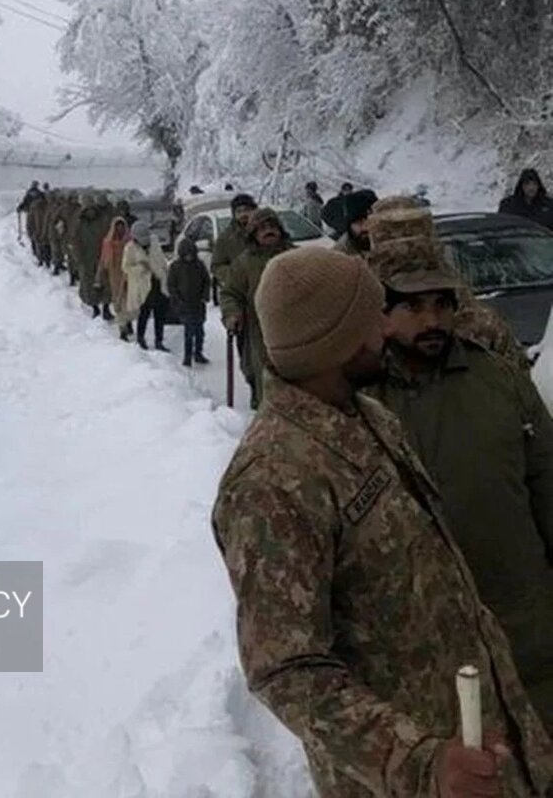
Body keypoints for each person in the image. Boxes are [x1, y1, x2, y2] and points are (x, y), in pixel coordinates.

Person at [212, 247, 553, 798]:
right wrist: (420, 762)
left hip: (482, 733)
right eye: (371, 315)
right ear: (336, 340)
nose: (383, 325)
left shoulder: (369, 419)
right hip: (413, 776)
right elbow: (286, 669)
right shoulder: (274, 480)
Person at [371, 235, 553, 735]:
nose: (432, 321)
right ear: (379, 310)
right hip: (414, 640)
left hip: (522, 619)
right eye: (411, 305)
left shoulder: (498, 378)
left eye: (441, 303)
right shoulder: (355, 398)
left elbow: (547, 480)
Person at [367, 196, 533, 378]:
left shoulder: (359, 337)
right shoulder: (483, 323)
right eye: (412, 306)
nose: (432, 321)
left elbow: (521, 392)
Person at [219, 208, 293, 408]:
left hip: (297, 328)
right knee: (265, 379)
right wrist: (232, 313)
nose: (268, 231)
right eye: (262, 228)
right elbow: (230, 293)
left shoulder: (296, 255)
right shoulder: (243, 263)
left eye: (272, 226)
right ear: (253, 233)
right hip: (260, 332)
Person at [122, 222, 170, 352]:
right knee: (144, 313)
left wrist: (165, 272)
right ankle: (141, 339)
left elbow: (161, 258)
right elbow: (126, 267)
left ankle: (159, 340)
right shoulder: (130, 248)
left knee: (160, 314)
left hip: (158, 282)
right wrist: (140, 268)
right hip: (142, 286)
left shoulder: (154, 242)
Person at [167, 237, 211, 368]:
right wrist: (177, 300)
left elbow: (206, 281)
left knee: (199, 331)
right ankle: (187, 356)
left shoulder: (199, 265)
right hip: (184, 304)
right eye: (186, 255)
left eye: (191, 254)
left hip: (198, 303)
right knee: (188, 332)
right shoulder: (175, 267)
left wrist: (205, 296)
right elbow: (171, 285)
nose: (189, 257)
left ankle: (198, 352)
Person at [73, 193, 112, 319]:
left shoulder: (102, 221)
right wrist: (78, 258)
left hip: (102, 257)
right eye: (87, 209)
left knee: (106, 283)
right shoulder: (79, 224)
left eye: (92, 209)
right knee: (89, 284)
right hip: (87, 259)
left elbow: (108, 237)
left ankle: (106, 308)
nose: (90, 212)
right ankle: (95, 308)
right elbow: (75, 241)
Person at [211, 194, 257, 291]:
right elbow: (217, 266)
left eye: (247, 210)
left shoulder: (266, 230)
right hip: (241, 291)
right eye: (239, 211)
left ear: (254, 210)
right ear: (234, 214)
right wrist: (235, 275)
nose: (243, 214)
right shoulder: (226, 238)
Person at [97, 215, 132, 340]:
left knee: (129, 302)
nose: (120, 229)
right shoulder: (108, 242)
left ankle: (128, 321)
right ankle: (122, 328)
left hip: (129, 275)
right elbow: (103, 260)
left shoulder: (130, 242)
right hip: (115, 276)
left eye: (122, 227)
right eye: (118, 227)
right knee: (118, 302)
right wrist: (99, 276)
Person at [333, 188, 377, 257]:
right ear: (349, 225)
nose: (365, 227)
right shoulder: (341, 254)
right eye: (359, 222)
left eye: (370, 221)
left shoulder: (393, 238)